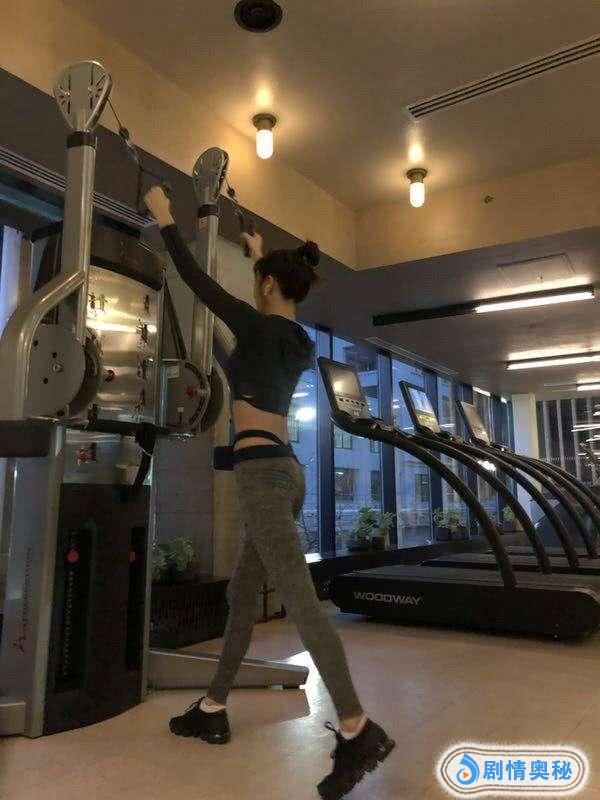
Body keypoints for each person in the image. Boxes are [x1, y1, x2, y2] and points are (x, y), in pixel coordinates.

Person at [144, 186, 394, 800]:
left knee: (302, 602)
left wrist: (166, 219)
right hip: (287, 471)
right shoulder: (298, 342)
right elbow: (244, 357)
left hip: (260, 473)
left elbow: (196, 280)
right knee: (240, 596)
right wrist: (259, 255)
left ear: (266, 286)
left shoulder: (256, 325)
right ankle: (212, 707)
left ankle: (357, 726)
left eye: (260, 280)